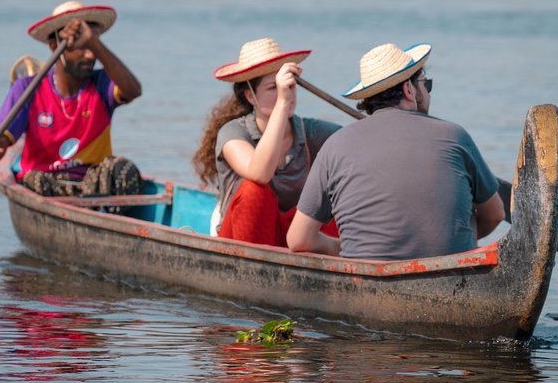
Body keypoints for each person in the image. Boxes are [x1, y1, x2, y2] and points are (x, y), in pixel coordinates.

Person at [287, 42, 504, 260]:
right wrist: (458, 239)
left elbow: (298, 239)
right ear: (408, 90)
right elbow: (495, 215)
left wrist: (338, 247)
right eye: (425, 85)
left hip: (366, 278)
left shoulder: (334, 146)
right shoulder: (455, 136)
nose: (428, 92)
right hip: (455, 274)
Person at [0, 1, 143, 196]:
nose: (89, 55)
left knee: (123, 170)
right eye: (80, 44)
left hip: (92, 187)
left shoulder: (102, 84)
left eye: (93, 44)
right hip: (44, 183)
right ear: (54, 46)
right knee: (36, 181)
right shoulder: (28, 88)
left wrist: (93, 43)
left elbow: (133, 91)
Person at [191, 38, 341, 247]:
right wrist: (282, 103)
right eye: (274, 88)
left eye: (289, 85)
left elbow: (358, 145)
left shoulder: (310, 132)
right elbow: (260, 173)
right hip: (242, 243)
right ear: (250, 96)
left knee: (340, 185)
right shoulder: (233, 132)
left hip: (295, 242)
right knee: (254, 191)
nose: (286, 92)